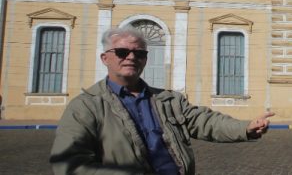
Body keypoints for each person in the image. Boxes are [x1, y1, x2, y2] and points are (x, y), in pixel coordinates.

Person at [50, 27, 274, 174]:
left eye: (140, 53)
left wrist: (245, 127)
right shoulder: (86, 106)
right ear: (104, 58)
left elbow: (204, 121)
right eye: (121, 52)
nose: (131, 57)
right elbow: (70, 164)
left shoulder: (167, 100)